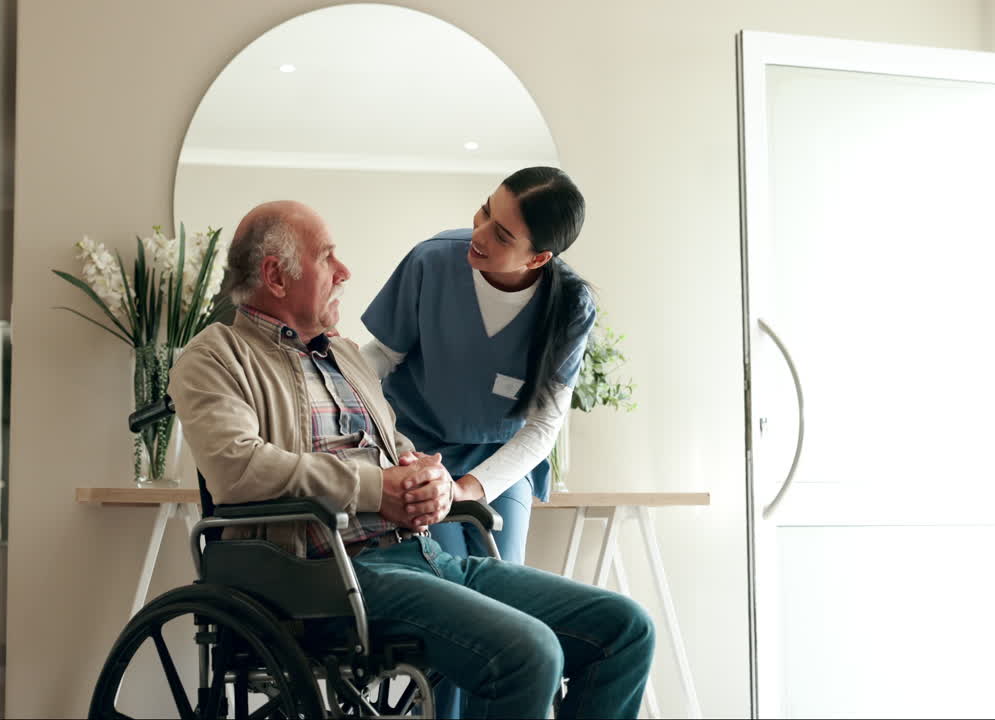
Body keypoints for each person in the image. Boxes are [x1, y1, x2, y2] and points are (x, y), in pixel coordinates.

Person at [169, 200, 653, 720]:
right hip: (326, 576)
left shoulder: (345, 356)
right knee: (529, 654)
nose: (345, 272)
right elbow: (239, 470)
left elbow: (395, 448)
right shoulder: (215, 357)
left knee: (624, 628)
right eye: (327, 257)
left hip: (423, 560)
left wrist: (430, 482)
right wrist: (378, 487)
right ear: (275, 276)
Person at [360, 166, 595, 569]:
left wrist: (470, 488)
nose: (479, 234)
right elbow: (381, 356)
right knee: (447, 571)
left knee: (506, 574)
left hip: (500, 457)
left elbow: (543, 426)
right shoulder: (431, 262)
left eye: (502, 234)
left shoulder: (570, 307)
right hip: (416, 451)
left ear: (538, 258)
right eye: (485, 212)